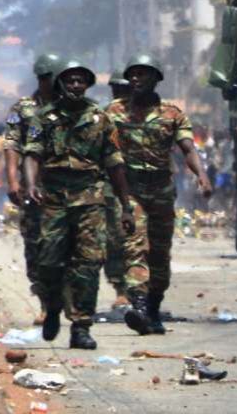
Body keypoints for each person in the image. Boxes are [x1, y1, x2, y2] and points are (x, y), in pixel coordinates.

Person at [22, 60, 134, 350]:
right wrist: (32, 184)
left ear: (87, 85)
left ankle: (82, 326)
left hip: (90, 197)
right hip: (54, 198)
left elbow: (115, 163)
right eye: (69, 80)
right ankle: (54, 304)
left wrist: (126, 206)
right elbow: (32, 154)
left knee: (88, 263)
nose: (74, 86)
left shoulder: (100, 119)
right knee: (47, 261)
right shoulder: (42, 119)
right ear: (60, 84)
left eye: (80, 81)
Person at [107, 54, 212, 335]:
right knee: (135, 247)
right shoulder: (113, 112)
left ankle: (153, 309)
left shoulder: (173, 114)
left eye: (143, 74)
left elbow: (188, 148)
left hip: (162, 192)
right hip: (130, 192)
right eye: (133, 74)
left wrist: (201, 176)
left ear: (156, 78)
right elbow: (97, 148)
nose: (136, 79)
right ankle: (138, 306)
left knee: (160, 255)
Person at [3, 52, 62, 324]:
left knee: (71, 247)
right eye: (48, 78)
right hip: (34, 189)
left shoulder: (72, 106)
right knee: (36, 248)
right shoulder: (22, 109)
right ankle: (46, 303)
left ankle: (70, 299)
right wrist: (15, 182)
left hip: (68, 187)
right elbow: (13, 144)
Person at [103, 75, 132, 308]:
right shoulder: (103, 116)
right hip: (112, 183)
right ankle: (121, 287)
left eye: (123, 88)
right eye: (116, 88)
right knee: (116, 237)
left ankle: (141, 287)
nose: (119, 92)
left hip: (142, 182)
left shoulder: (145, 113)